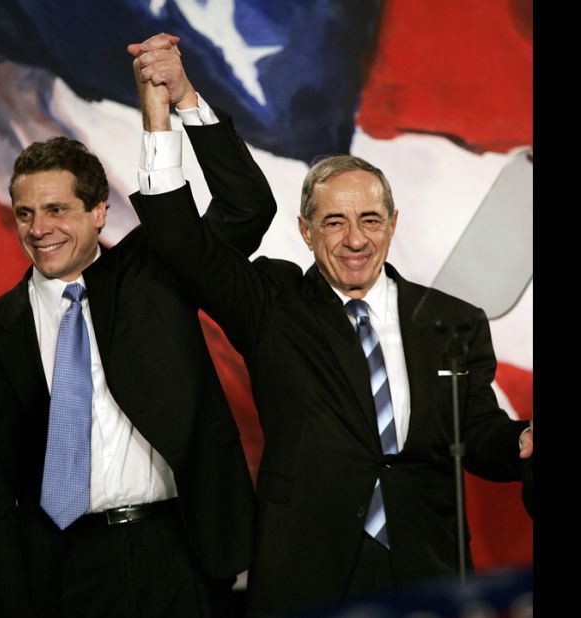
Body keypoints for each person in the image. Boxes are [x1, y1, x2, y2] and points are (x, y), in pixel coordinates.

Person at [130, 50, 533, 615]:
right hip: (308, 568)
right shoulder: (272, 304)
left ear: (392, 224)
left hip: (428, 568)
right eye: (334, 222)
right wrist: (173, 108)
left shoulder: (451, 320)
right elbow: (179, 243)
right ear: (305, 230)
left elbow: (475, 432)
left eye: (369, 220)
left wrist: (519, 442)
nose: (354, 240)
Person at [0, 35, 275, 618]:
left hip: (180, 554)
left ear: (99, 212)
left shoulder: (156, 272)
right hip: (64, 572)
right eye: (26, 213)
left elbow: (246, 206)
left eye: (57, 210)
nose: (39, 228)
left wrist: (184, 100)